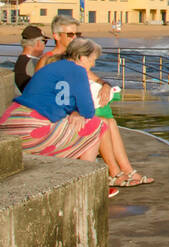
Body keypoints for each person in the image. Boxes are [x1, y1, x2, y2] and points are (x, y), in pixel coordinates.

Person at [39, 16, 149, 187]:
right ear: (56, 35)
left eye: (77, 33)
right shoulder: (49, 60)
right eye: (70, 34)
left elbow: (97, 79)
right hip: (57, 116)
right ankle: (114, 172)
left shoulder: (76, 59)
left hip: (71, 112)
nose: (74, 37)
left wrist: (105, 86)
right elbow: (42, 92)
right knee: (102, 123)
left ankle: (126, 170)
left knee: (110, 122)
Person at [0, 38, 108, 160]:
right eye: (92, 60)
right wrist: (77, 111)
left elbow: (56, 102)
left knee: (84, 126)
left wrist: (75, 111)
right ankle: (85, 171)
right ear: (82, 57)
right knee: (97, 125)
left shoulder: (51, 67)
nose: (93, 65)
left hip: (8, 125)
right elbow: (88, 111)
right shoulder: (78, 70)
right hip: (28, 132)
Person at [14, 25, 48, 91]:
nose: (44, 45)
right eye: (44, 41)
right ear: (38, 43)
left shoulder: (21, 61)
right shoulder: (33, 63)